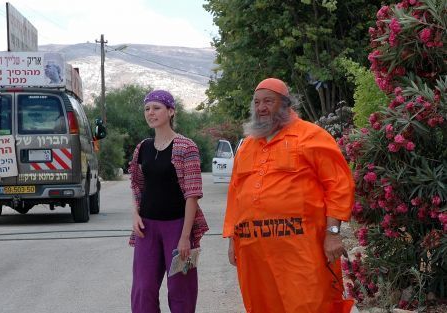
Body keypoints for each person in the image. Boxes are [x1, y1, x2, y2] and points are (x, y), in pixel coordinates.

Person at [223, 78, 355, 313]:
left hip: (301, 250)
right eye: (257, 102)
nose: (261, 107)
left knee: (309, 303)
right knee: (261, 305)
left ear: (285, 104)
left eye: (268, 101)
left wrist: (333, 233)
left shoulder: (312, 136)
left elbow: (339, 185)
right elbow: (235, 193)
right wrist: (233, 239)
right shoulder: (247, 146)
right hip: (254, 250)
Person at [129, 89, 209, 313]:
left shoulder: (186, 147)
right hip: (146, 228)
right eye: (147, 109)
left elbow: (192, 193)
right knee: (143, 289)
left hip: (177, 226)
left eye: (156, 108)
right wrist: (135, 215)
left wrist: (185, 238)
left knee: (180, 289)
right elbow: (136, 184)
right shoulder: (142, 148)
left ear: (171, 111)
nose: (150, 113)